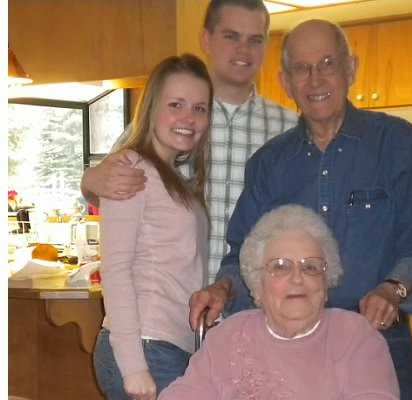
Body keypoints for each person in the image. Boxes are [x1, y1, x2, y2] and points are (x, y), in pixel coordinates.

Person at [189, 19, 412, 400]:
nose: (315, 79)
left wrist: (392, 289)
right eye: (302, 68)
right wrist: (222, 288)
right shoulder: (269, 163)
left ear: (350, 68)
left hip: (377, 339)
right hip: (288, 351)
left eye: (328, 63)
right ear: (286, 82)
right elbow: (243, 252)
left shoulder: (395, 143)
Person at [80, 0, 298, 283]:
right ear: (206, 39)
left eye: (255, 40)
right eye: (231, 36)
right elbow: (110, 187)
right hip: (173, 299)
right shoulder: (169, 122)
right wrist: (90, 180)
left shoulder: (290, 128)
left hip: (254, 298)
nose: (243, 50)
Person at [159, 205, 400, 400]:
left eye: (310, 267)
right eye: (281, 267)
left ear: (326, 283)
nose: (297, 278)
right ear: (258, 285)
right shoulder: (228, 337)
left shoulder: (356, 338)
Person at [93, 53, 213, 400]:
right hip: (146, 349)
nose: (189, 118)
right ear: (151, 108)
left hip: (165, 347)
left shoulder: (171, 176)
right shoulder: (132, 168)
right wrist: (133, 367)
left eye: (199, 108)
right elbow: (116, 269)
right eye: (176, 104)